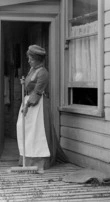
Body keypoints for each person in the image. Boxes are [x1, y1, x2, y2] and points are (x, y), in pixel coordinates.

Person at [16, 45, 67, 174]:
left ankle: (38, 161)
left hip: (37, 104)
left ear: (38, 60)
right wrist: (24, 84)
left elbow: (38, 91)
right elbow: (29, 85)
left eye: (31, 59)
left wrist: (28, 105)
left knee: (36, 131)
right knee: (24, 129)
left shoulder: (43, 72)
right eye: (29, 58)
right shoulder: (32, 70)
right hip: (28, 101)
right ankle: (26, 159)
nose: (29, 61)